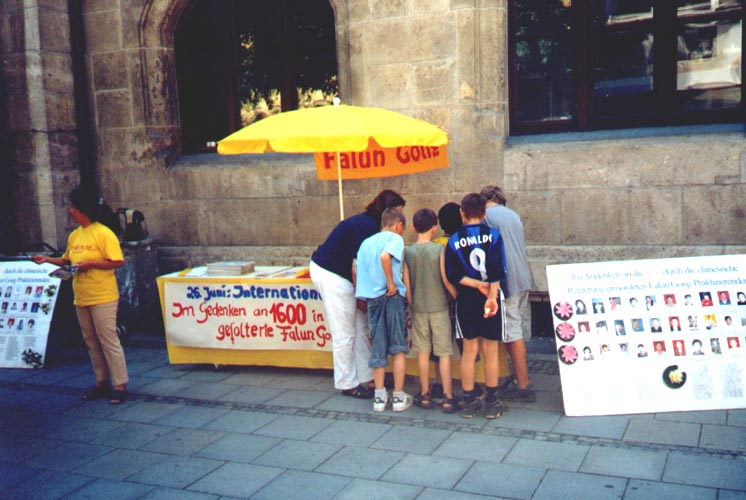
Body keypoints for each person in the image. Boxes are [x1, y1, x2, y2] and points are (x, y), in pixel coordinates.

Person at [32, 186, 129, 404]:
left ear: (83, 209)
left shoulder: (104, 233)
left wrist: (90, 264)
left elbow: (117, 261)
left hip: (103, 295)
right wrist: (46, 260)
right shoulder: (75, 235)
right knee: (90, 340)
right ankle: (101, 381)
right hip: (81, 296)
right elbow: (66, 260)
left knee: (108, 340)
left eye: (72, 207)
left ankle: (120, 384)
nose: (70, 210)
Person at [309, 189, 405, 399]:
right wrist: (362, 297)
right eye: (398, 212)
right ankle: (347, 383)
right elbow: (357, 267)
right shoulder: (367, 227)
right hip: (332, 274)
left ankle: (367, 376)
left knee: (360, 327)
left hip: (341, 274)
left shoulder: (370, 225)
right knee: (344, 331)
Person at [445, 193, 507, 419]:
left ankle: (469, 400)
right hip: (491, 295)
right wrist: (491, 295)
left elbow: (453, 275)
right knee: (491, 351)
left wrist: (475, 284)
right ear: (484, 213)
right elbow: (498, 270)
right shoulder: (494, 235)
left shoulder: (454, 239)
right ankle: (492, 401)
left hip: (467, 297)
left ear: (462, 213)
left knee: (469, 351)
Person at [481, 185, 536, 403]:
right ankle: (515, 378)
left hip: (507, 280)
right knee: (514, 326)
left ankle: (524, 385)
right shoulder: (513, 215)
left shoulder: (486, 217)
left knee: (512, 331)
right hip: (523, 276)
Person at [354, 208, 412, 412]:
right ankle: (398, 397)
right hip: (391, 296)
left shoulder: (365, 243)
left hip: (372, 298)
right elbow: (385, 256)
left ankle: (379, 397)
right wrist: (391, 283)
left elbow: (356, 269)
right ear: (398, 226)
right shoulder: (395, 239)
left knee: (377, 347)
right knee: (398, 347)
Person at [403, 208, 458, 413]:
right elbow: (445, 278)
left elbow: (407, 284)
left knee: (423, 352)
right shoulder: (439, 250)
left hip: (419, 307)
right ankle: (448, 395)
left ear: (413, 227)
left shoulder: (408, 252)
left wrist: (412, 303)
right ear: (434, 228)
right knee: (444, 353)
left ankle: (425, 393)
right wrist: (455, 296)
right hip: (440, 307)